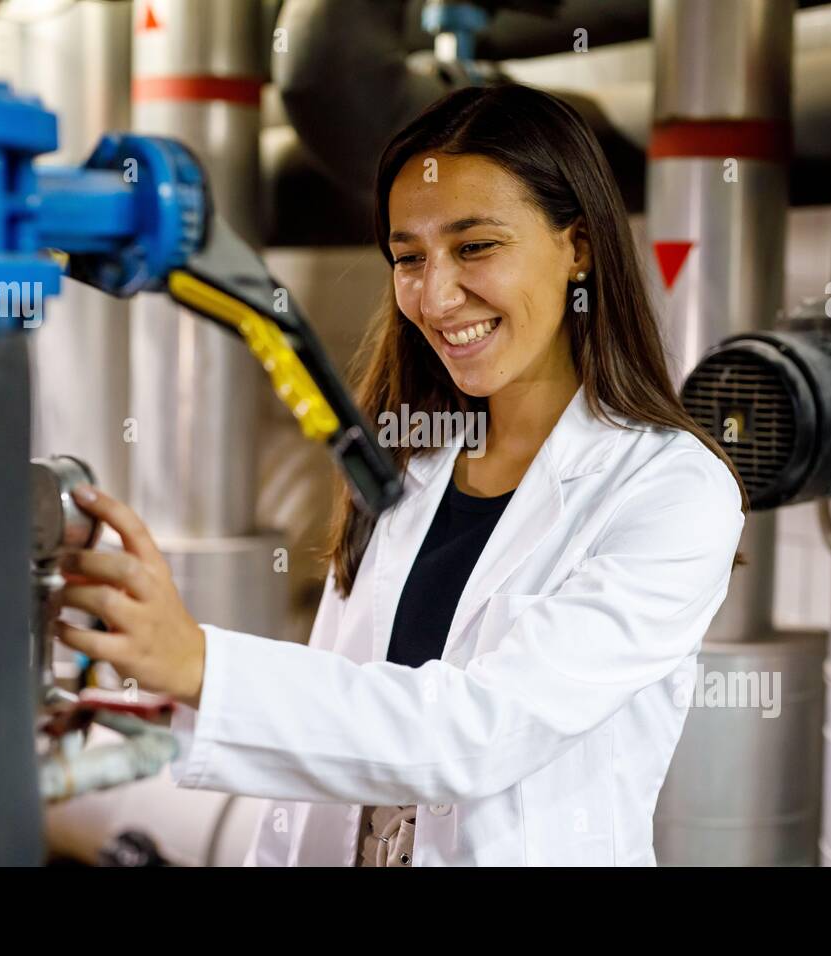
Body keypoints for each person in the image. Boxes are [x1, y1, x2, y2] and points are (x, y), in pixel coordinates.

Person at [57, 83, 747, 866]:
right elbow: (343, 718)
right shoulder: (407, 461)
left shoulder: (672, 491)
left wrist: (202, 663)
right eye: (409, 257)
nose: (437, 294)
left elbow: (475, 733)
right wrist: (138, 702)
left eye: (476, 246)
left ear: (578, 247)